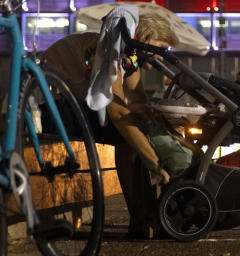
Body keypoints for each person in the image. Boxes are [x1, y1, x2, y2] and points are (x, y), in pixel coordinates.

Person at [42, 12, 181, 238]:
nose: (162, 57)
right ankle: (141, 220)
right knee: (126, 139)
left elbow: (138, 102)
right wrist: (155, 163)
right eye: (160, 48)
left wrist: (159, 124)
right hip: (49, 106)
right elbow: (116, 112)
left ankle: (147, 218)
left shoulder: (129, 54)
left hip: (68, 102)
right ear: (145, 37)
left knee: (136, 136)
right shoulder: (112, 50)